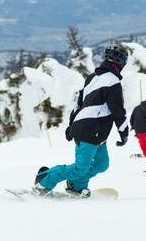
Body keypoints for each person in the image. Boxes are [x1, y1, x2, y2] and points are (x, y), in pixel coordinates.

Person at [33, 44, 129, 197]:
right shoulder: (113, 82)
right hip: (89, 129)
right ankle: (44, 180)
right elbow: (117, 110)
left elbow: (79, 104)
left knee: (101, 164)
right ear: (122, 63)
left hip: (96, 131)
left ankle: (76, 185)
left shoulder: (92, 77)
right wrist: (124, 132)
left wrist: (72, 125)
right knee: (80, 168)